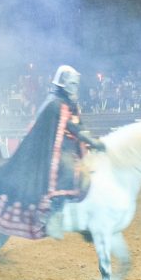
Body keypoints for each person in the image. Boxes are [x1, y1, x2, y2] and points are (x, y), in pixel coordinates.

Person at [42, 65, 106, 239]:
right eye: (71, 83)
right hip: (54, 148)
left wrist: (90, 140)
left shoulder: (71, 102)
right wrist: (90, 140)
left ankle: (83, 218)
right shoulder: (55, 102)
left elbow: (79, 124)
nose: (74, 87)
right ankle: (53, 215)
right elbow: (71, 126)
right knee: (70, 171)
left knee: (91, 174)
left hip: (71, 145)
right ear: (62, 83)